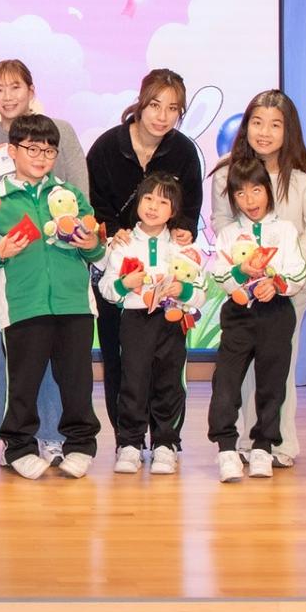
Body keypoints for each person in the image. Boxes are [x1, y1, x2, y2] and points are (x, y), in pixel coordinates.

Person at [0, 114, 105, 480]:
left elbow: (97, 250)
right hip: (22, 306)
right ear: (12, 151)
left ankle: (80, 445)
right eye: (32, 149)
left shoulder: (70, 195)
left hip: (74, 304)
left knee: (77, 383)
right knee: (22, 384)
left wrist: (90, 243)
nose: (42, 157)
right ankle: (19, 447)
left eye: (49, 150)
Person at [208, 90, 306, 468]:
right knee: (242, 367)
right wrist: (245, 266)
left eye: (275, 125)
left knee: (279, 367)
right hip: (245, 287)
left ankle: (280, 444)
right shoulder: (227, 172)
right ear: (246, 126)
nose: (264, 132)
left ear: (288, 130)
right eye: (257, 123)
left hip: (292, 287)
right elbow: (222, 223)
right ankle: (250, 441)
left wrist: (284, 267)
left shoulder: (304, 174)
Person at [86, 69, 203, 455]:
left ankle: (166, 439)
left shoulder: (183, 151)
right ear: (140, 102)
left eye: (173, 108)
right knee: (120, 359)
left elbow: (190, 206)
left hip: (165, 276)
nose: (162, 116)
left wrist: (184, 230)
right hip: (119, 262)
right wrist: (111, 232)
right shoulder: (107, 146)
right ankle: (128, 440)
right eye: (155, 105)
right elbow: (93, 202)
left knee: (167, 363)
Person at [206, 159, 306, 483]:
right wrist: (240, 272)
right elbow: (220, 275)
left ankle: (263, 447)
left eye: (256, 190)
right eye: (240, 193)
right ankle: (227, 450)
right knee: (226, 382)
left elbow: (298, 271)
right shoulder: (228, 234)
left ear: (268, 191)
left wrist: (276, 284)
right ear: (232, 198)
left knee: (272, 384)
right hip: (238, 316)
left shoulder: (286, 230)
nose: (249, 200)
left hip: (276, 313)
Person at [94, 172, 202, 476]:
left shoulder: (182, 246)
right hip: (135, 322)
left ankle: (166, 444)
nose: (154, 206)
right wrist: (125, 284)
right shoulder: (123, 243)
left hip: (172, 322)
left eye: (163, 202)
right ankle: (129, 443)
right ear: (138, 202)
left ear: (174, 210)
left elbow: (201, 291)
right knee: (132, 381)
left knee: (169, 383)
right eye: (148, 198)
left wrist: (183, 291)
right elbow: (106, 288)